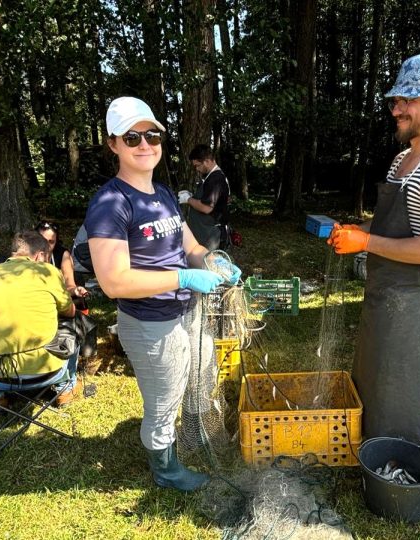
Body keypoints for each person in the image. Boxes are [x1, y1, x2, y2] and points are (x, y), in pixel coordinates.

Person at [84, 96, 240, 492]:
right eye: (132, 137)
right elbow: (114, 282)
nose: (145, 144)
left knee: (199, 374)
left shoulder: (165, 194)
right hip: (149, 321)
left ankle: (188, 440)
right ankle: (166, 471)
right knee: (164, 399)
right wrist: (183, 279)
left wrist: (214, 261)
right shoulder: (110, 203)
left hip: (186, 312)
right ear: (113, 144)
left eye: (152, 134)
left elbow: (190, 247)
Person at [327, 52, 420, 445]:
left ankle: (391, 459)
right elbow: (387, 221)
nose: (397, 109)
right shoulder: (402, 159)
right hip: (383, 291)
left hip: (414, 301)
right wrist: (353, 231)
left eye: (409, 100)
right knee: (371, 378)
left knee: (397, 392)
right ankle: (365, 446)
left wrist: (366, 242)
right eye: (397, 100)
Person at [0, 231, 81, 411]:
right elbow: (70, 312)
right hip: (49, 372)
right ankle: (66, 387)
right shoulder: (49, 272)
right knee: (75, 322)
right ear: (40, 256)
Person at [182, 144, 231, 251]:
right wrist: (191, 196)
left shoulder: (216, 179)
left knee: (207, 263)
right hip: (204, 231)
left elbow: (206, 207)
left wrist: (188, 199)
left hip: (210, 234)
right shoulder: (210, 177)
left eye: (198, 165)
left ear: (207, 161)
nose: (197, 169)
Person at [36, 221, 90, 300]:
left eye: (51, 242)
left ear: (56, 241)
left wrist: (75, 290)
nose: (46, 245)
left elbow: (70, 285)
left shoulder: (63, 255)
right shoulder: (29, 254)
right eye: (42, 240)